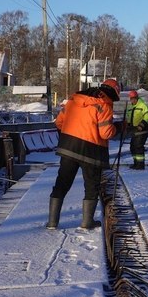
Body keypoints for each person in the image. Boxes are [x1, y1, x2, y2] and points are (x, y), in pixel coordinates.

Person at [45, 78, 121, 230]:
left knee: (62, 183)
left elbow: (59, 123)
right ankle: (87, 222)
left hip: (68, 147)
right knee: (91, 186)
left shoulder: (73, 100)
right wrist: (117, 128)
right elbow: (105, 133)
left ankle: (52, 222)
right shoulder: (103, 105)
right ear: (113, 93)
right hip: (91, 151)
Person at [125, 90, 148, 170]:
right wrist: (127, 126)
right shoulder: (130, 107)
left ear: (136, 98)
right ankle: (136, 163)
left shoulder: (142, 105)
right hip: (134, 130)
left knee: (138, 146)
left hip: (142, 129)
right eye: (131, 98)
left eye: (133, 98)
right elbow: (129, 118)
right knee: (132, 147)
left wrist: (141, 125)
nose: (132, 100)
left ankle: (140, 165)